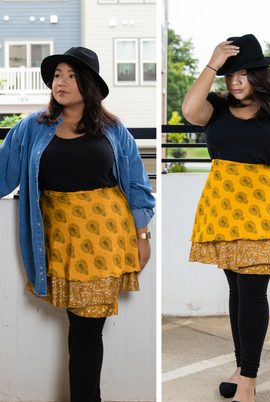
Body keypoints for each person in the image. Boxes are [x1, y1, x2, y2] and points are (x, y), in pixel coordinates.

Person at [0, 47, 155, 402]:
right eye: (57, 75)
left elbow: (136, 185)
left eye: (72, 75)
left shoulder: (114, 129)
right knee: (79, 328)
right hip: (58, 242)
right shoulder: (30, 127)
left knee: (86, 330)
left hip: (107, 240)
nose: (62, 82)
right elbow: (3, 173)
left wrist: (142, 235)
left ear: (89, 85)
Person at [182, 34, 270, 402]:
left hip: (266, 207)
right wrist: (211, 62)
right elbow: (190, 112)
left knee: (253, 292)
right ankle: (241, 367)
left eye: (242, 74)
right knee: (236, 289)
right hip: (223, 207)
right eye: (229, 75)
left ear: (260, 74)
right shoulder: (216, 106)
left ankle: (249, 382)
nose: (235, 82)